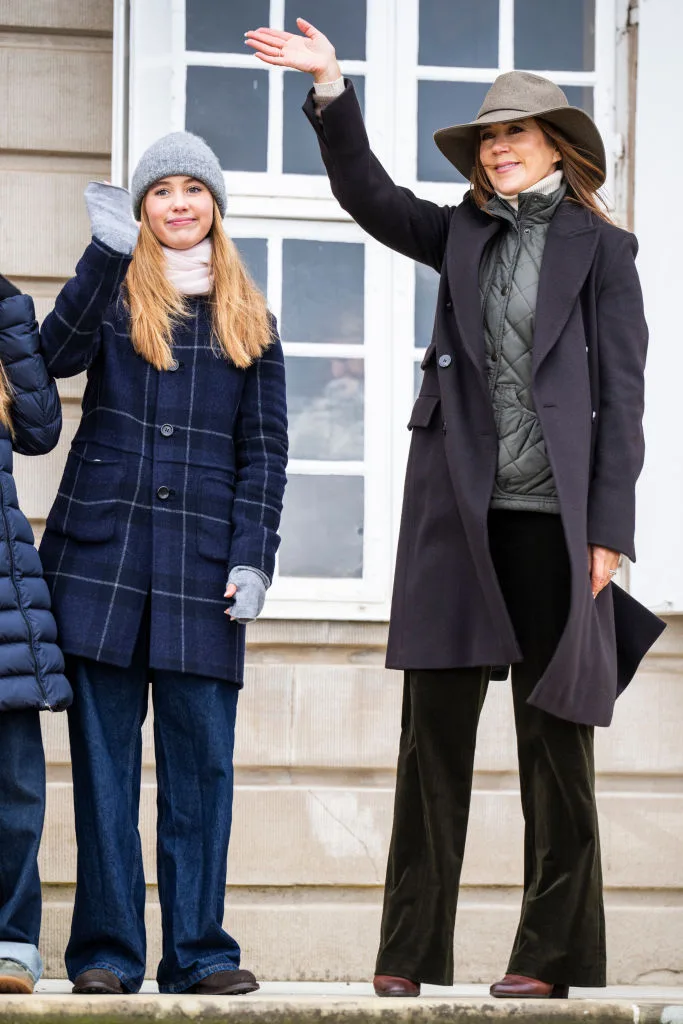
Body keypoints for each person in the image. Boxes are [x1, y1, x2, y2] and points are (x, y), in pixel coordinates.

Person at [245, 19, 665, 1001]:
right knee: (429, 735)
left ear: (556, 145)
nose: (498, 147)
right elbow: (369, 196)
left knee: (552, 748)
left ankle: (547, 956)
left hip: (554, 527)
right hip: (455, 516)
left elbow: (628, 398)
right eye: (487, 138)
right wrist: (329, 88)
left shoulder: (602, 252)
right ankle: (408, 951)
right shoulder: (461, 231)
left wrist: (609, 532)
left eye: (515, 134)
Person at [38, 133, 288, 995]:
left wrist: (255, 558)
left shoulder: (251, 316)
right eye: (161, 192)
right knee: (104, 775)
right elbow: (48, 359)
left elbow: (266, 454)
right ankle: (106, 954)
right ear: (140, 209)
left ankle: (199, 955)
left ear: (215, 207)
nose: (178, 203)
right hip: (98, 569)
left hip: (204, 577)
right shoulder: (111, 296)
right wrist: (101, 255)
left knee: (201, 775)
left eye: (194, 190)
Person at [0, 275, 71, 995]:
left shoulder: (3, 320)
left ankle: (12, 941)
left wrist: (9, 312)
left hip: (4, 587)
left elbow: (43, 430)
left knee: (16, 786)